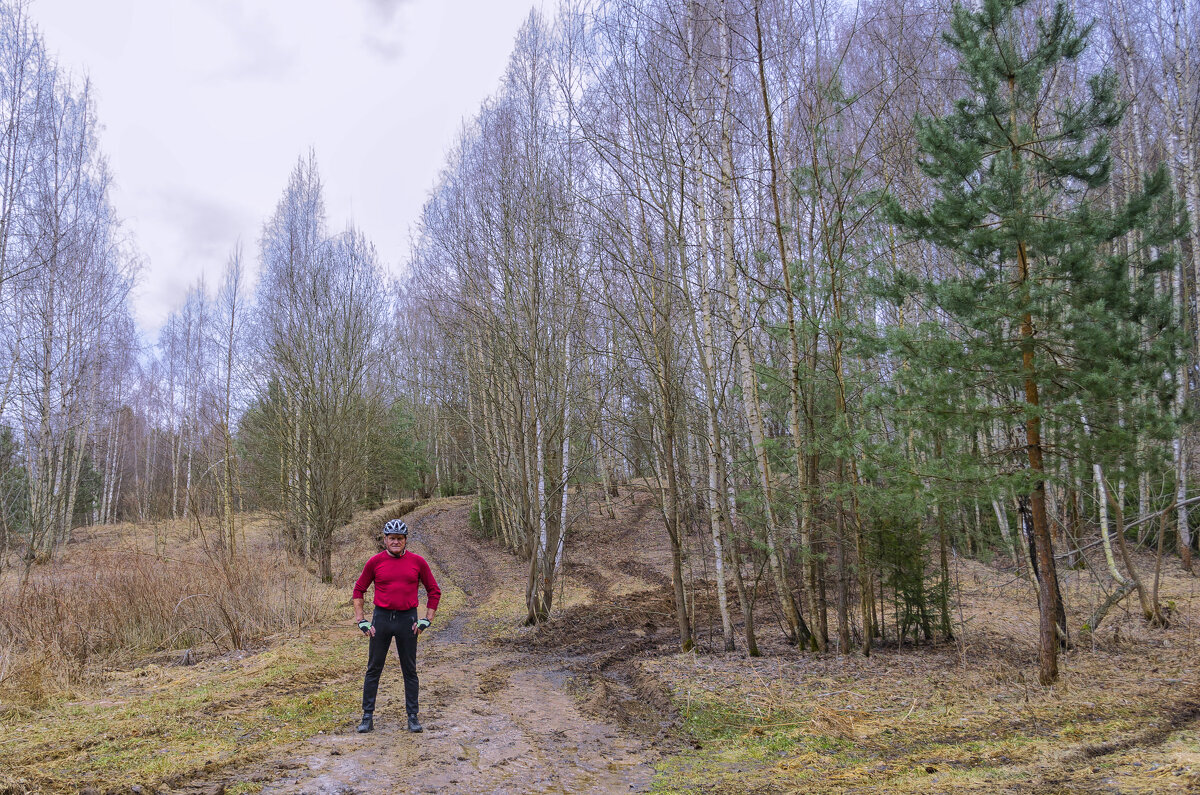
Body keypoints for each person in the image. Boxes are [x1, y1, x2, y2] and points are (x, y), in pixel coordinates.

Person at [351, 518, 440, 733]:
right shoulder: (375, 562)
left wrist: (427, 619)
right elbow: (359, 589)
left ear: (405, 540)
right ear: (385, 540)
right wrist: (361, 620)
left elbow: (434, 590)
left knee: (409, 670)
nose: (396, 542)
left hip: (407, 620)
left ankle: (413, 717)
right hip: (381, 619)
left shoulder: (418, 562)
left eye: (400, 538)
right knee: (373, 669)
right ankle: (367, 717)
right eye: (392, 538)